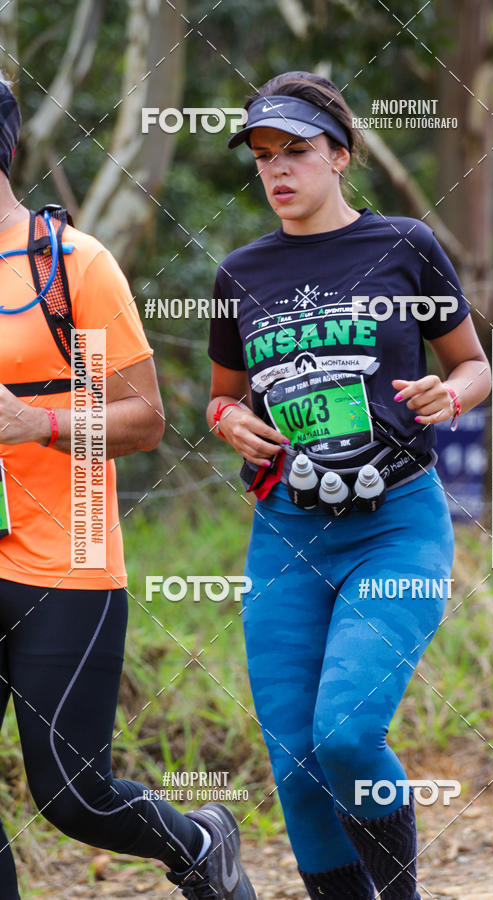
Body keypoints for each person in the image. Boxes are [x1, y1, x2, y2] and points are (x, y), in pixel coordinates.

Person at [207, 71, 491, 899]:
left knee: (345, 734)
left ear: (339, 155)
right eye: (262, 157)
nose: (277, 172)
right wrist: (228, 421)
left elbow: (473, 365)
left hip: (396, 522)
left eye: (295, 151)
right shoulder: (240, 274)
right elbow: (222, 395)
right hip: (288, 531)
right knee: (295, 762)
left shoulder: (403, 245)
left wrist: (453, 395)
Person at [0, 75, 256, 900]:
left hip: (62, 559)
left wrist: (36, 424)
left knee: (72, 794)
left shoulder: (72, 265)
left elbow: (145, 420)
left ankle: (196, 845)